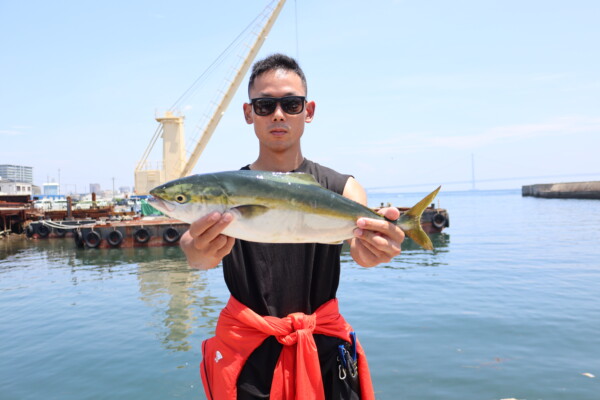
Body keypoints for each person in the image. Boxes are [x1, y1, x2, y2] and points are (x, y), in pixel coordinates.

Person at [180, 53, 405, 400]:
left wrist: (377, 249)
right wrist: (196, 250)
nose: (279, 114)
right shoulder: (228, 191)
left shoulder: (343, 188)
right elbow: (196, 253)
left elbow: (361, 250)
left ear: (309, 110)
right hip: (249, 358)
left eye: (292, 104)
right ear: (248, 112)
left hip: (324, 352)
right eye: (266, 105)